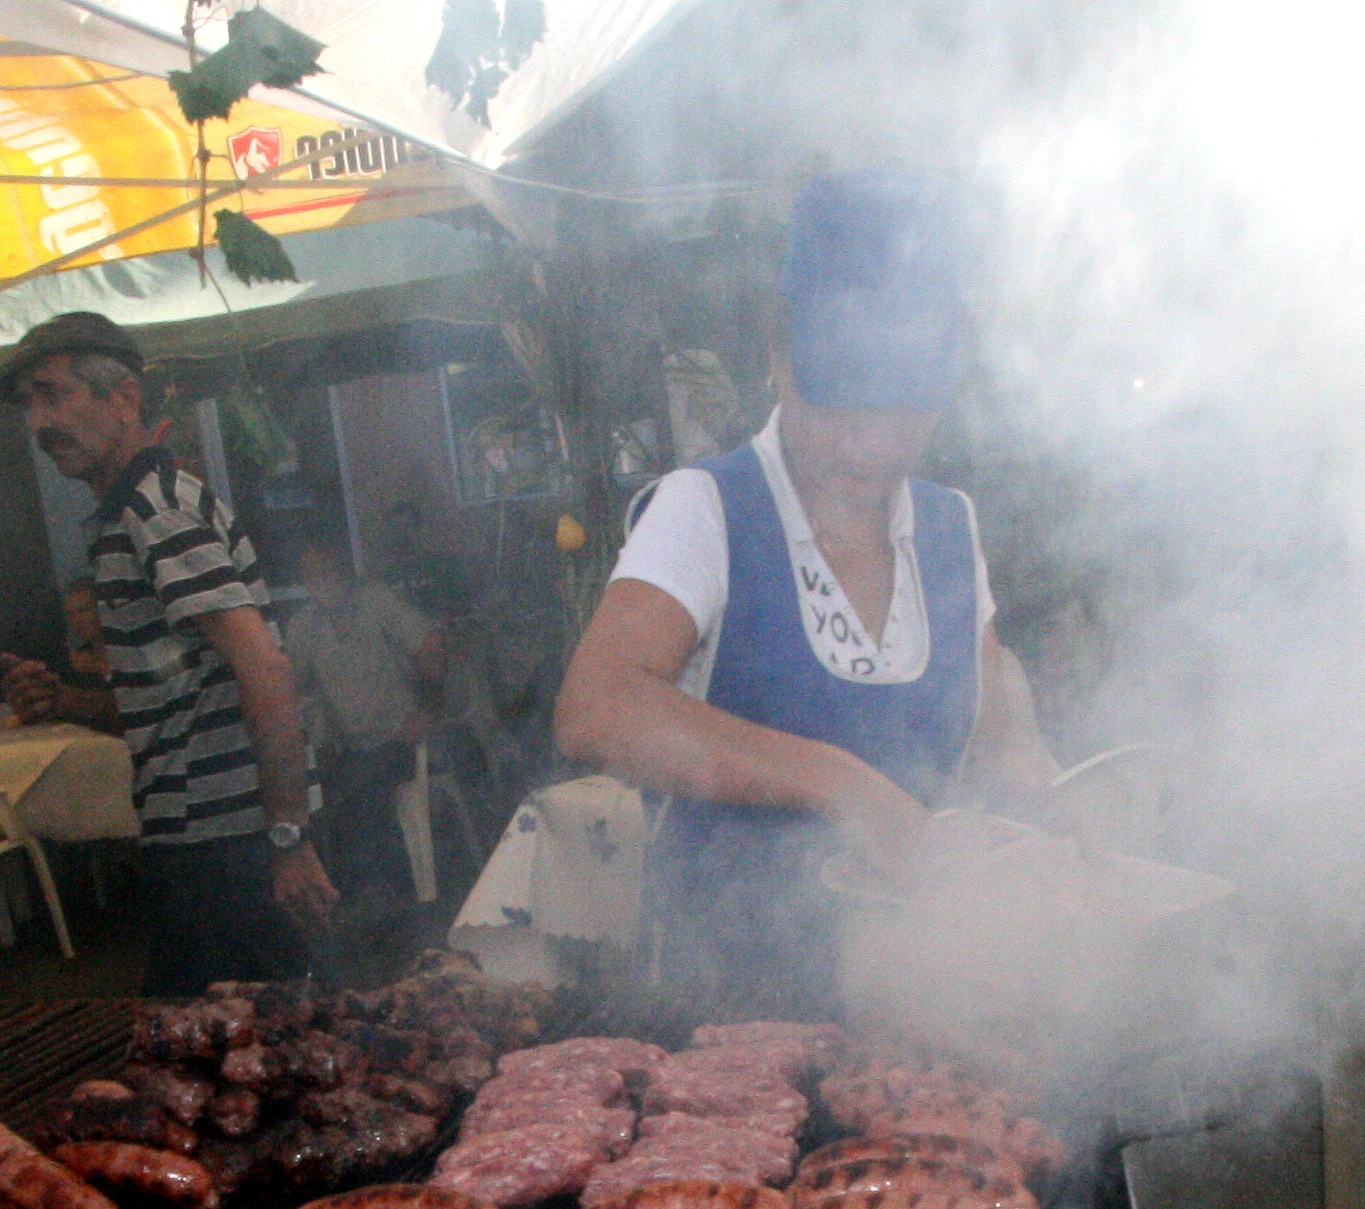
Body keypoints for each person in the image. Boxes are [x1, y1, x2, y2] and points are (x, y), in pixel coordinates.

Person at [556, 170, 1058, 1019]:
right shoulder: (705, 510)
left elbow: (991, 704)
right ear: (781, 357)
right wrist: (843, 783)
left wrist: (1030, 769)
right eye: (847, 413)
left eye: (904, 415)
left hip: (920, 1002)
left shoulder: (949, 525)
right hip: (729, 1018)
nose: (875, 446)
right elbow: (597, 710)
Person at [0, 311, 336, 994]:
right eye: (28, 403)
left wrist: (286, 840)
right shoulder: (132, 514)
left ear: (124, 399)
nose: (37, 423)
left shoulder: (158, 511)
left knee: (247, 1055)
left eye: (53, 393)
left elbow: (265, 669)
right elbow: (174, 702)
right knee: (233, 1052)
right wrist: (65, 700)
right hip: (202, 846)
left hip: (232, 848)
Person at [284, 539, 446, 895]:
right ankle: (347, 896)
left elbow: (431, 644)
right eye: (312, 578)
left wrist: (428, 711)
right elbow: (292, 688)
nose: (322, 583)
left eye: (328, 573)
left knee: (362, 791)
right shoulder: (304, 626)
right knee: (314, 794)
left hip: (399, 739)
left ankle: (393, 898)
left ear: (344, 573)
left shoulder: (377, 603)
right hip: (347, 748)